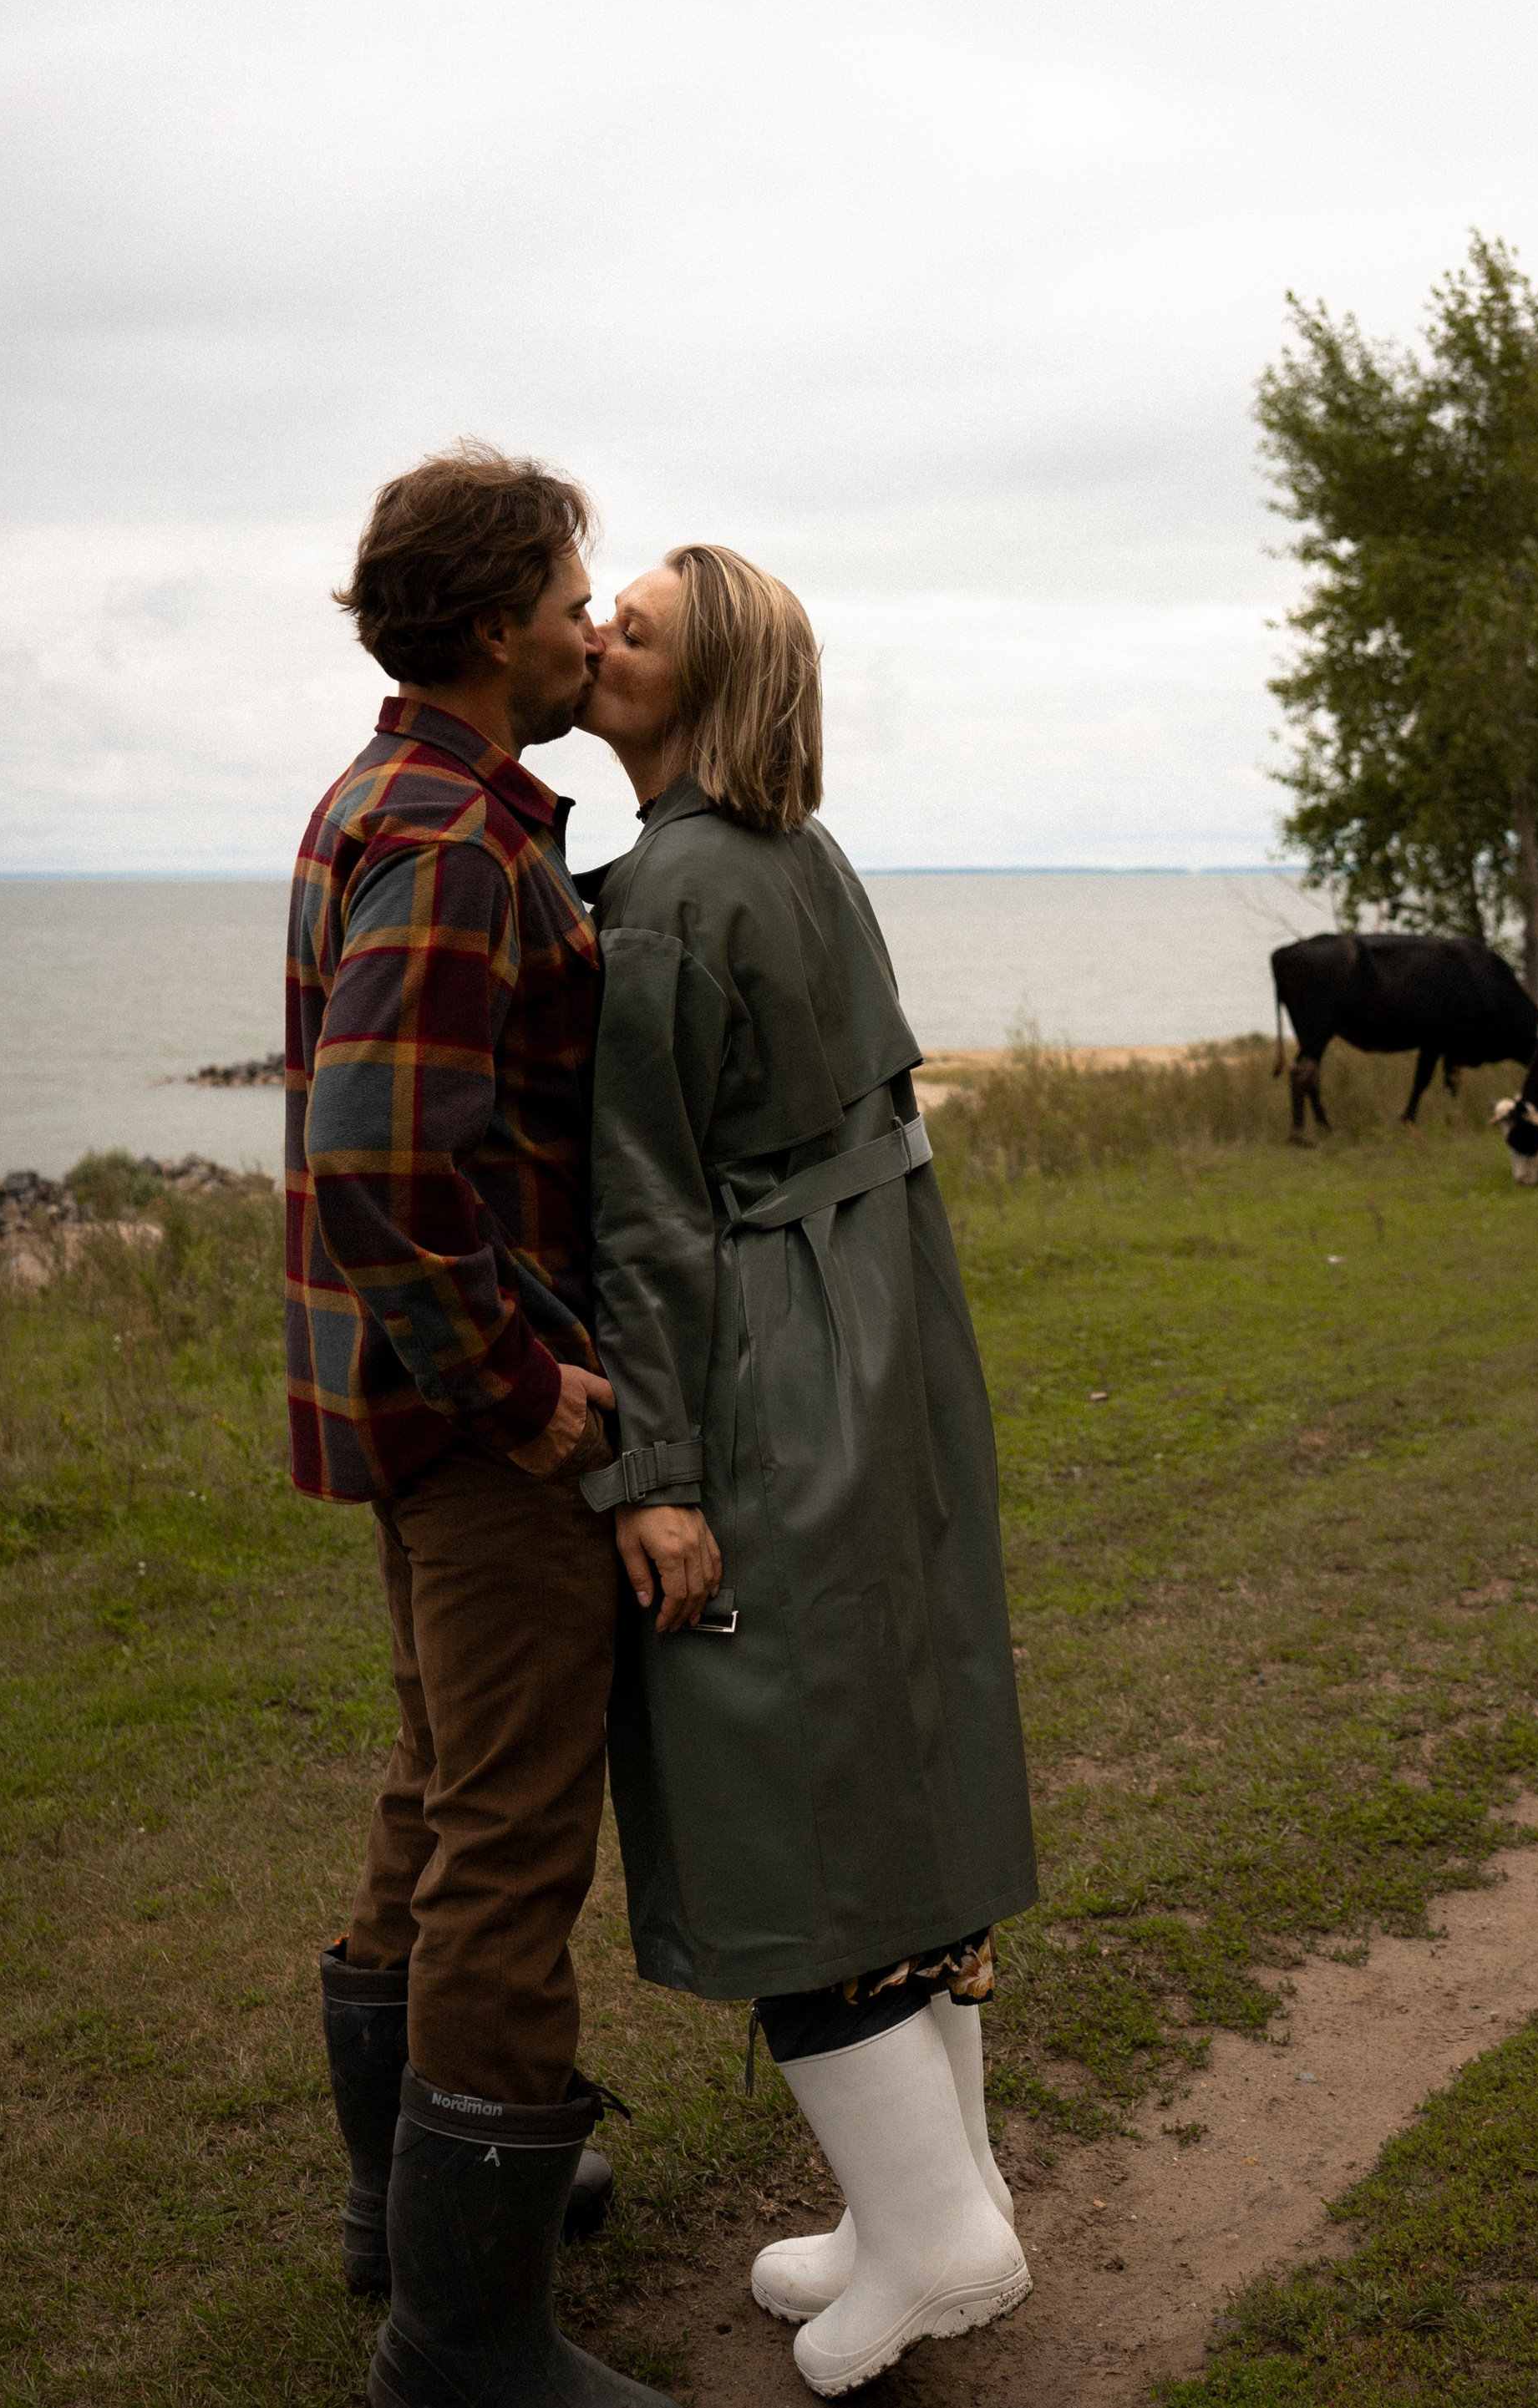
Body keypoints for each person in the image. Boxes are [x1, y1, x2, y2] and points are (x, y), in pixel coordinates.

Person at [573, 543, 1039, 2400]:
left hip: (776, 1351)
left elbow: (649, 1214)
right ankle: (914, 2199)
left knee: (773, 1768)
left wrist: (657, 1473)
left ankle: (943, 2237)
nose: (597, 633)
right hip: (883, 1329)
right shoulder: (790, 854)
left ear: (708, 683)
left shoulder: (675, 891)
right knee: (880, 1753)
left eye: (636, 627)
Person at [286, 444, 678, 2408]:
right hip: (484, 1429)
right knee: (514, 1854)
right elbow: (374, 1162)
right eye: (567, 590)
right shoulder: (451, 836)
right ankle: (467, 2343)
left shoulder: (396, 799)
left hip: (412, 1418)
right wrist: (530, 1401)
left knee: (439, 1795)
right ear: (483, 622)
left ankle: (399, 2212)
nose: (590, 621)